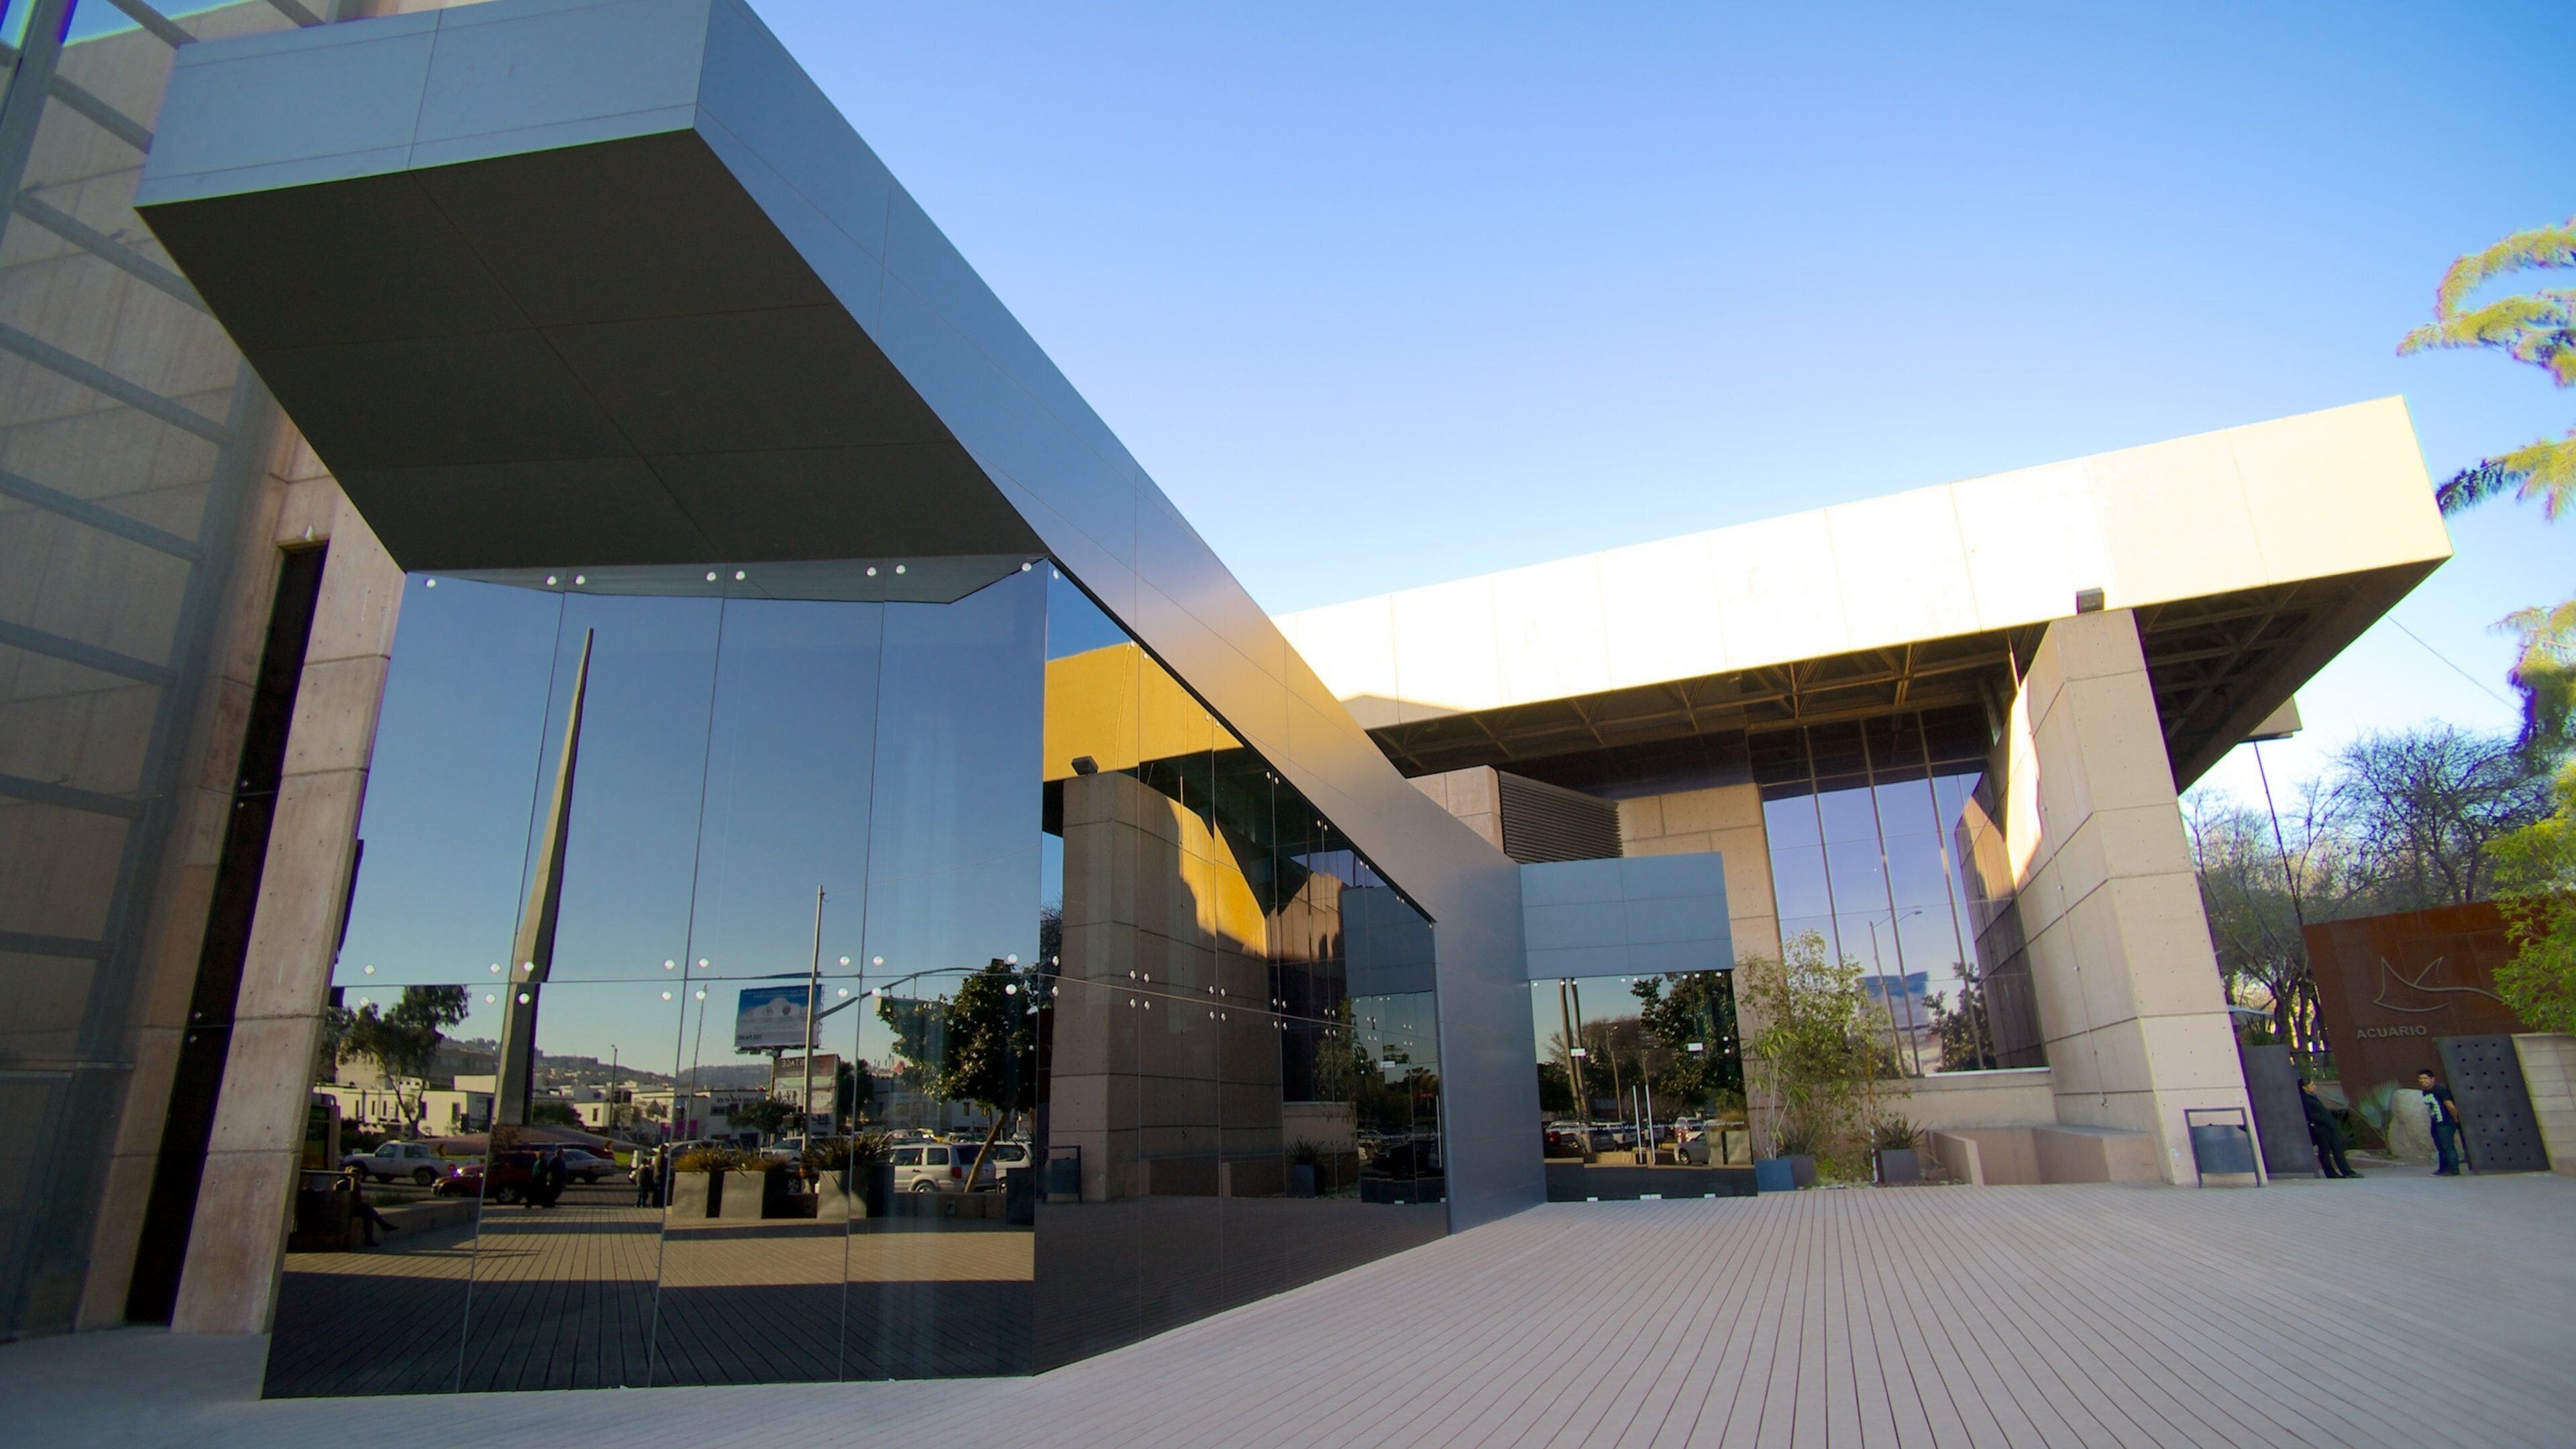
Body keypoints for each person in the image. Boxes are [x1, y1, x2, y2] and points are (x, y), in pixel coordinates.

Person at [2297, 1078, 2359, 1179]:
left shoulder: (2313, 1097)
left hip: (2329, 1126)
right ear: (2304, 1087)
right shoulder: (2305, 1099)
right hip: (2320, 1128)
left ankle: (2347, 1171)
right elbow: (2311, 1115)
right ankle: (2330, 1173)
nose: (2314, 1087)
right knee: (2325, 1151)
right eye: (2311, 1085)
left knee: (2337, 1149)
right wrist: (2323, 1121)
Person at [2417, 1068, 2466, 1176]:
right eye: (2420, 1079)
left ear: (2432, 1079)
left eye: (2426, 1078)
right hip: (2436, 1123)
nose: (2423, 1081)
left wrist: (2455, 1118)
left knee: (2448, 1146)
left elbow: (2450, 1105)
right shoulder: (2426, 1092)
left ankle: (2454, 1170)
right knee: (2440, 1147)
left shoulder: (2439, 1090)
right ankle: (2443, 1169)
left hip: (2445, 1123)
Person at [335, 1165, 398, 1246]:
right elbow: (351, 1200)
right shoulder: (348, 1184)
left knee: (368, 1214)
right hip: (346, 1209)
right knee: (368, 1211)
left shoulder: (346, 1182)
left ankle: (375, 1233)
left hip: (348, 1207)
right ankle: (381, 1227)